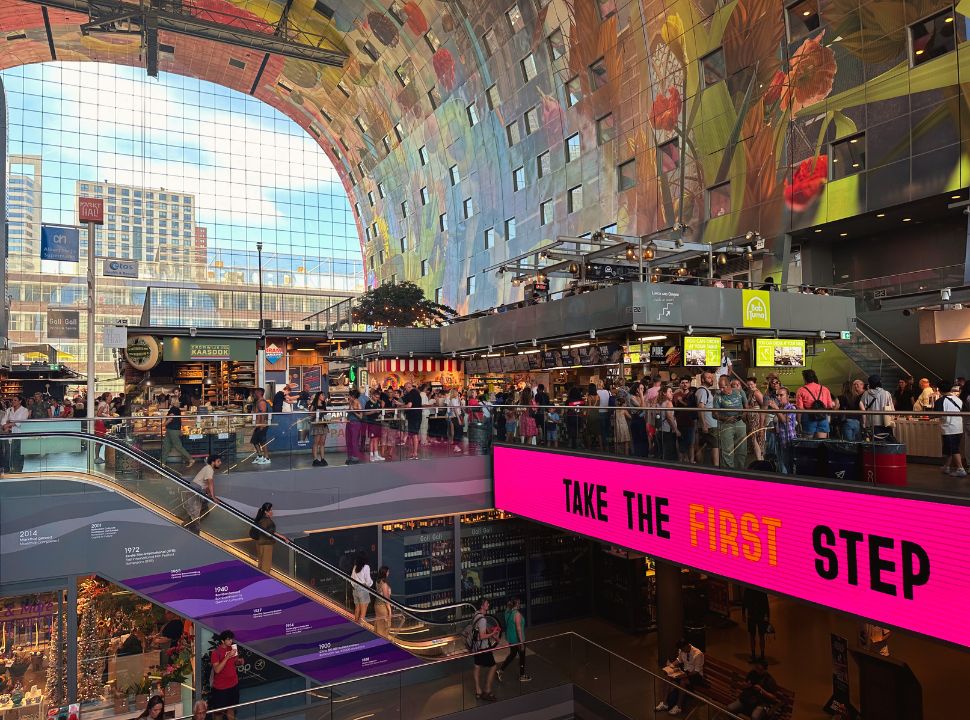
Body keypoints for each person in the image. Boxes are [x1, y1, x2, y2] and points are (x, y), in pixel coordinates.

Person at [656, 638, 705, 716]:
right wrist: (671, 665)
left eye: (683, 649)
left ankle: (678, 706)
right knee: (668, 677)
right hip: (685, 672)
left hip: (696, 676)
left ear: (687, 645)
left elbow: (696, 671)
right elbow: (679, 660)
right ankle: (664, 703)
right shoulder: (682, 651)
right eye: (681, 649)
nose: (682, 651)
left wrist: (684, 675)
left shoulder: (698, 654)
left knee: (683, 681)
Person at [209, 631, 244, 720]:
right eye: (228, 639)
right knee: (218, 713)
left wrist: (239, 662)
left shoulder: (233, 648)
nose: (231, 641)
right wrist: (228, 656)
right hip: (221, 688)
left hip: (234, 684)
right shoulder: (216, 653)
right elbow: (217, 670)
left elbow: (235, 662)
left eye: (231, 639)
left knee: (231, 709)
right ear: (222, 641)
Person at [472, 598, 501, 701]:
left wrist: (494, 637)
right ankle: (487, 690)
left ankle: (478, 691)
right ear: (482, 606)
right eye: (486, 603)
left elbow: (481, 628)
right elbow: (482, 635)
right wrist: (493, 634)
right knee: (493, 666)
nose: (488, 604)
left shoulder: (476, 614)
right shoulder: (483, 619)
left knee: (477, 667)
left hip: (475, 647)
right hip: (483, 648)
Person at [716, 378, 747, 469]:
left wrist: (743, 415)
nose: (721, 389)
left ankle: (741, 470)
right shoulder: (718, 396)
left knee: (742, 449)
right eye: (720, 387)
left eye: (723, 387)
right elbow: (714, 413)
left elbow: (747, 407)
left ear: (728, 385)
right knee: (727, 450)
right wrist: (726, 418)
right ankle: (729, 472)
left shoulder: (740, 392)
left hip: (740, 422)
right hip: (726, 424)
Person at [185, 454, 221, 533]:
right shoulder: (209, 469)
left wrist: (210, 495)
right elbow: (210, 483)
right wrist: (213, 497)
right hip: (195, 490)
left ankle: (191, 530)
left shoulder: (208, 469)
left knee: (201, 511)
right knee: (195, 516)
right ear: (213, 462)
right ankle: (193, 533)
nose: (220, 463)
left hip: (196, 490)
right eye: (218, 461)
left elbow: (207, 486)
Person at [498, 597, 531, 683]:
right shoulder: (517, 614)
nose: (520, 604)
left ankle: (501, 669)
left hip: (511, 638)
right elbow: (519, 629)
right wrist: (521, 643)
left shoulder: (507, 612)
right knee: (522, 656)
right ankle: (522, 675)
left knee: (512, 654)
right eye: (519, 603)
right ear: (516, 604)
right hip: (518, 639)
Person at [795, 369, 835, 439]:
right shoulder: (825, 389)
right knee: (821, 443)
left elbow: (800, 409)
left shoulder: (801, 390)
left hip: (808, 418)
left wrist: (799, 422)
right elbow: (830, 406)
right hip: (822, 417)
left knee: (808, 444)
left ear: (804, 379)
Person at [939, 384, 966, 477]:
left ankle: (960, 469)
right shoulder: (958, 399)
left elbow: (935, 414)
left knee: (953, 448)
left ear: (939, 390)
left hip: (948, 427)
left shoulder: (941, 400)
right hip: (959, 426)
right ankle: (946, 467)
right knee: (949, 448)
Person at [859, 375, 895, 440]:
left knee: (874, 443)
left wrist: (864, 423)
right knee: (886, 442)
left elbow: (862, 406)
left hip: (871, 423)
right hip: (885, 423)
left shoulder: (866, 393)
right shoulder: (886, 393)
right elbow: (892, 410)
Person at [695, 373, 719, 467]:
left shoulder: (706, 391)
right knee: (715, 446)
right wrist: (703, 424)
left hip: (709, 423)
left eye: (712, 378)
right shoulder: (702, 391)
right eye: (708, 378)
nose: (711, 379)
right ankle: (716, 468)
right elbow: (701, 407)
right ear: (703, 380)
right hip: (709, 424)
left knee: (704, 446)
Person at [742, 587, 771, 662]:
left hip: (752, 615)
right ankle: (761, 655)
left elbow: (744, 602)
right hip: (760, 616)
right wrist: (767, 616)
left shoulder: (748, 589)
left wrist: (743, 614)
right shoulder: (761, 590)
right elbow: (766, 603)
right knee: (760, 636)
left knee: (753, 636)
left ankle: (754, 654)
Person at [772, 388, 797, 474]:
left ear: (787, 396)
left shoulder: (791, 407)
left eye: (781, 395)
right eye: (777, 395)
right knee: (781, 464)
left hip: (788, 441)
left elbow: (784, 420)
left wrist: (775, 408)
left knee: (787, 466)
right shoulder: (780, 408)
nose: (778, 397)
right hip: (780, 440)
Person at [252, 502, 281, 573]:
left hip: (260, 542)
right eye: (270, 510)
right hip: (266, 544)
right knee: (266, 564)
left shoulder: (260, 519)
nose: (272, 512)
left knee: (261, 563)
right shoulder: (266, 520)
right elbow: (269, 532)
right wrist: (283, 537)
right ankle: (265, 579)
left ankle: (261, 578)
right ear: (266, 511)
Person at [2, 396, 29, 472]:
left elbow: (21, 422)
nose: (13, 401)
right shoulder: (9, 410)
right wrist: (5, 426)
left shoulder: (24, 410)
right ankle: (8, 470)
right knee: (8, 453)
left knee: (17, 453)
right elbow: (3, 420)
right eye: (12, 400)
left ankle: (18, 470)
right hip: (8, 434)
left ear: (20, 401)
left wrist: (9, 424)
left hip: (19, 434)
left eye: (15, 400)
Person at [400, 381, 423, 460]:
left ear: (407, 387)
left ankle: (415, 453)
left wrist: (402, 406)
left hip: (413, 416)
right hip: (417, 416)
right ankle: (414, 452)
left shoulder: (411, 394)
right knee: (414, 434)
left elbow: (409, 405)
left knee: (414, 435)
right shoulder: (417, 393)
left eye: (405, 388)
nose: (405, 390)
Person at [350, 552, 374, 623]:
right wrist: (370, 584)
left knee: (357, 609)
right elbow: (368, 580)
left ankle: (356, 625)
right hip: (363, 589)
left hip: (355, 590)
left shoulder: (355, 567)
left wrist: (354, 586)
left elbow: (351, 578)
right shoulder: (366, 567)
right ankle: (361, 628)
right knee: (363, 611)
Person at [250, 388, 271, 465]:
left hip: (261, 425)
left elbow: (263, 413)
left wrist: (261, 425)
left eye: (255, 392)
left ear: (259, 393)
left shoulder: (262, 402)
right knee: (254, 441)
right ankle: (260, 456)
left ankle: (267, 458)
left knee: (263, 442)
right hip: (258, 425)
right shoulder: (257, 401)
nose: (254, 394)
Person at [309, 392, 329, 466]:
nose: (324, 396)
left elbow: (325, 414)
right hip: (317, 424)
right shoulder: (314, 405)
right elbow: (310, 414)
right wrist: (317, 412)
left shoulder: (324, 405)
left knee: (322, 443)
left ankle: (322, 458)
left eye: (324, 395)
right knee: (316, 443)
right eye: (322, 395)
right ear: (318, 396)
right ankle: (315, 459)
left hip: (323, 424)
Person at [345, 388, 364, 464]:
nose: (349, 397)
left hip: (355, 424)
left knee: (354, 441)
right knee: (348, 441)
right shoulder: (351, 402)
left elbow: (361, 416)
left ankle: (355, 457)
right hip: (349, 422)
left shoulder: (357, 403)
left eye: (350, 395)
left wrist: (353, 411)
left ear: (353, 396)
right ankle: (350, 457)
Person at [373, 566, 392, 637]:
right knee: (384, 626)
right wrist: (390, 611)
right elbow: (386, 599)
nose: (388, 573)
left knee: (379, 624)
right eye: (388, 572)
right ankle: (382, 641)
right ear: (385, 573)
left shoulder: (378, 582)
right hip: (382, 607)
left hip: (376, 605)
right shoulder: (384, 584)